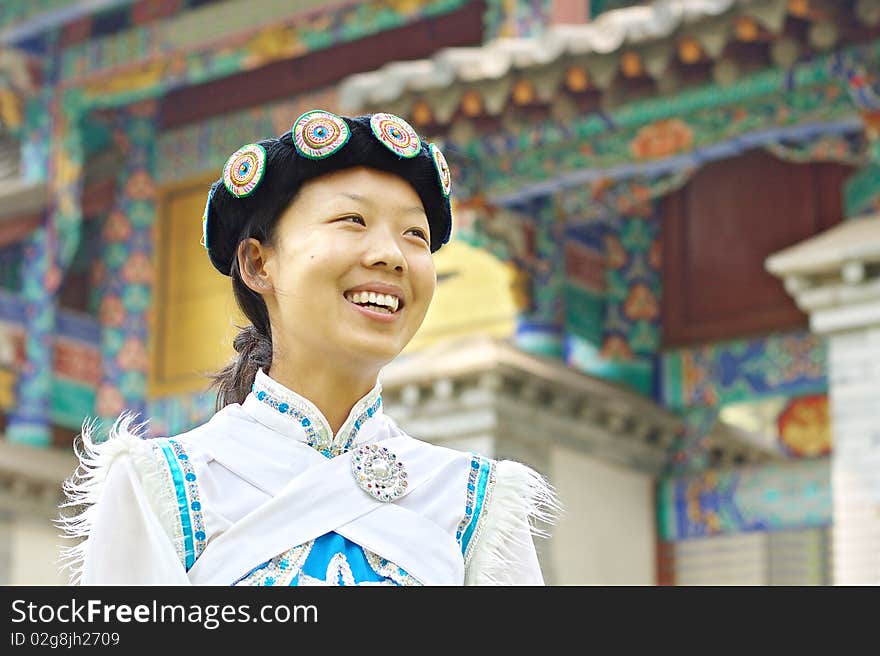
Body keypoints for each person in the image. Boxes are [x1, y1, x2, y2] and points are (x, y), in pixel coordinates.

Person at [60, 110, 559, 586]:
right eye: (352, 220)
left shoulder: (473, 503)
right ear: (258, 264)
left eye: (415, 234)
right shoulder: (166, 488)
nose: (391, 256)